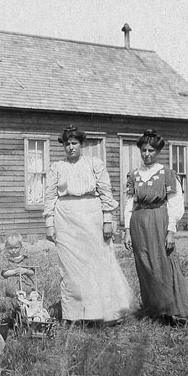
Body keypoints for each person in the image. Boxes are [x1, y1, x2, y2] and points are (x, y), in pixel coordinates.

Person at [44, 125, 133, 324]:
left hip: (92, 216)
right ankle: (75, 315)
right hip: (65, 218)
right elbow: (49, 197)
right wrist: (49, 223)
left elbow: (105, 192)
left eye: (74, 143)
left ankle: (105, 312)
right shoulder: (57, 167)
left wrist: (107, 220)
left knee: (98, 264)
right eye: (67, 144)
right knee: (71, 268)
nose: (70, 147)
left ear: (81, 144)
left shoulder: (95, 164)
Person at [122, 129, 188, 324]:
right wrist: (126, 231)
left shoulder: (166, 174)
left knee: (164, 264)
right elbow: (129, 204)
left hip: (159, 220)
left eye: (151, 150)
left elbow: (175, 204)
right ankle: (154, 309)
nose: (147, 154)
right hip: (138, 223)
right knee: (145, 266)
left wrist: (170, 231)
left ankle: (172, 310)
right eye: (143, 150)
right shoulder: (134, 175)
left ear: (157, 152)